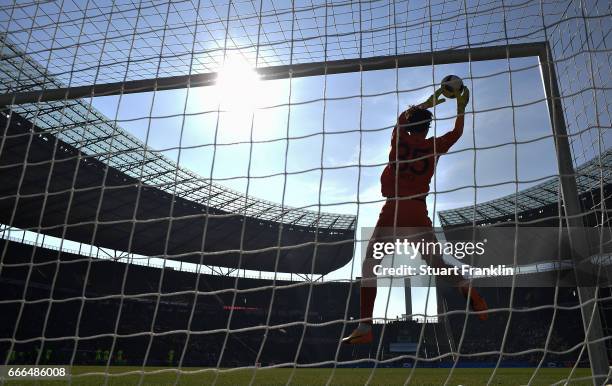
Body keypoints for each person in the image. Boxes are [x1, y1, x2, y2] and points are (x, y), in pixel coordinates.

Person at [342, 86, 488, 345]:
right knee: (437, 264)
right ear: (427, 130)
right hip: (418, 212)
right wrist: (461, 107)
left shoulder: (399, 138)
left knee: (369, 266)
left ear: (409, 126)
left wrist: (428, 103)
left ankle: (365, 326)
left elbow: (401, 117)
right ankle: (469, 289)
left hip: (394, 210)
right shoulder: (434, 146)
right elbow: (457, 133)